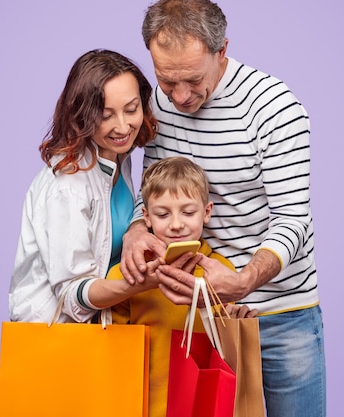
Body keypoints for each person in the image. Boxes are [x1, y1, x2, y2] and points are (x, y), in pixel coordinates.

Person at [119, 1, 326, 416]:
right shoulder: (158, 104)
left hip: (280, 313)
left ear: (222, 51)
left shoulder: (273, 108)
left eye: (193, 80)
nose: (179, 96)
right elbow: (153, 190)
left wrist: (246, 278)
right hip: (195, 315)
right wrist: (137, 229)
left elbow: (292, 219)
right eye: (166, 79)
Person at [8, 49, 160, 323]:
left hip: (101, 334)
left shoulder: (118, 159)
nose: (123, 126)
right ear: (82, 115)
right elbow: (72, 296)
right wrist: (141, 284)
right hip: (55, 338)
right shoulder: (68, 185)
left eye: (131, 109)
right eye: (106, 115)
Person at [107, 156, 254, 417]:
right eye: (163, 214)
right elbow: (112, 347)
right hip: (140, 405)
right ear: (146, 216)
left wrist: (235, 320)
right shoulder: (126, 273)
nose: (176, 224)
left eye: (188, 212)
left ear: (206, 212)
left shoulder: (221, 274)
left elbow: (224, 350)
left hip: (202, 404)